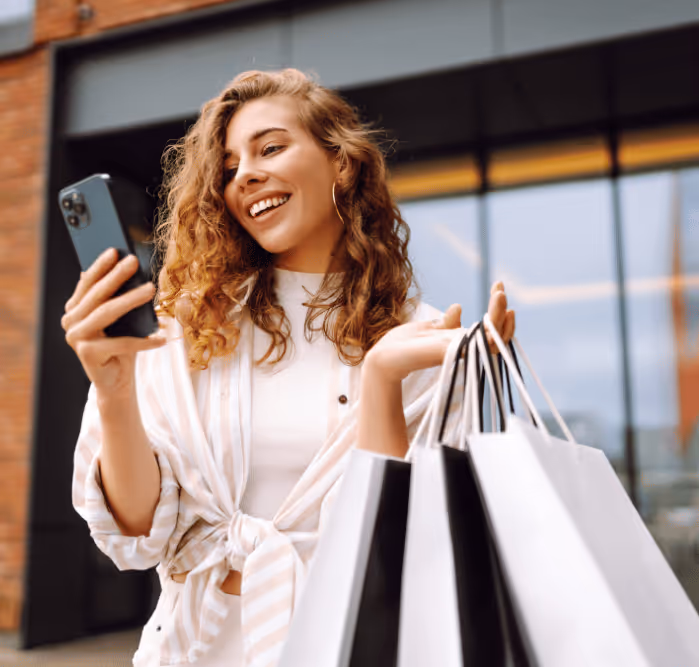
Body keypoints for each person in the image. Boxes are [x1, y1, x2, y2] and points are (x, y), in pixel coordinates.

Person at [63, 69, 515, 667]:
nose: (245, 174)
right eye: (228, 168)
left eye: (271, 147)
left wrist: (381, 379)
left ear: (342, 163)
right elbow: (137, 534)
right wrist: (115, 394)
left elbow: (408, 547)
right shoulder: (185, 328)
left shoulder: (420, 338)